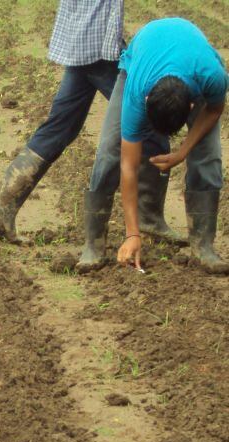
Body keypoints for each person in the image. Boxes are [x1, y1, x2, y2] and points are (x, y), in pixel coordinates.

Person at [0, 0, 178, 244]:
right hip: (100, 50)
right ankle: (150, 219)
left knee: (60, 127)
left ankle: (2, 205)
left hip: (80, 44)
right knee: (151, 125)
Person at [80, 18, 226, 274]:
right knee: (109, 151)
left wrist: (183, 152)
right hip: (142, 55)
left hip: (193, 60)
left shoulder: (212, 77)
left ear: (191, 106)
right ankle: (94, 244)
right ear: (146, 101)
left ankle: (203, 246)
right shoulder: (138, 92)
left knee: (208, 156)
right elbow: (128, 165)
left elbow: (214, 110)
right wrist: (131, 233)